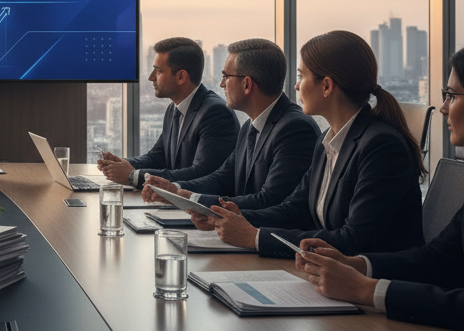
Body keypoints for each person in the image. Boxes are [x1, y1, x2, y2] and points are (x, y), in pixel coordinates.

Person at [196, 30, 425, 257]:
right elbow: (295, 209)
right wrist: (237, 218)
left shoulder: (381, 147)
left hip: (368, 284)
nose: (296, 86)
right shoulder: (328, 141)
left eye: (301, 76)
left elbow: (354, 239)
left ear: (326, 86)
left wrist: (254, 237)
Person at [292, 48, 464, 331]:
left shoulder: (381, 143)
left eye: (452, 95)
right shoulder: (327, 138)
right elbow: (437, 258)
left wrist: (368, 290)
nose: (444, 108)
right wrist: (356, 265)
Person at [142, 38, 319, 210]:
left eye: (226, 76)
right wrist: (176, 190)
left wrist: (191, 198)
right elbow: (222, 178)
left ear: (247, 84)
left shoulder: (295, 129)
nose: (221, 84)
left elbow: (269, 200)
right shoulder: (249, 127)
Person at [98, 36, 237, 185]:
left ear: (181, 77)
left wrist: (134, 176)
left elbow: (201, 173)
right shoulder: (174, 108)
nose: (151, 77)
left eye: (158, 71)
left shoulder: (215, 113)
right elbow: (157, 158)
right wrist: (121, 164)